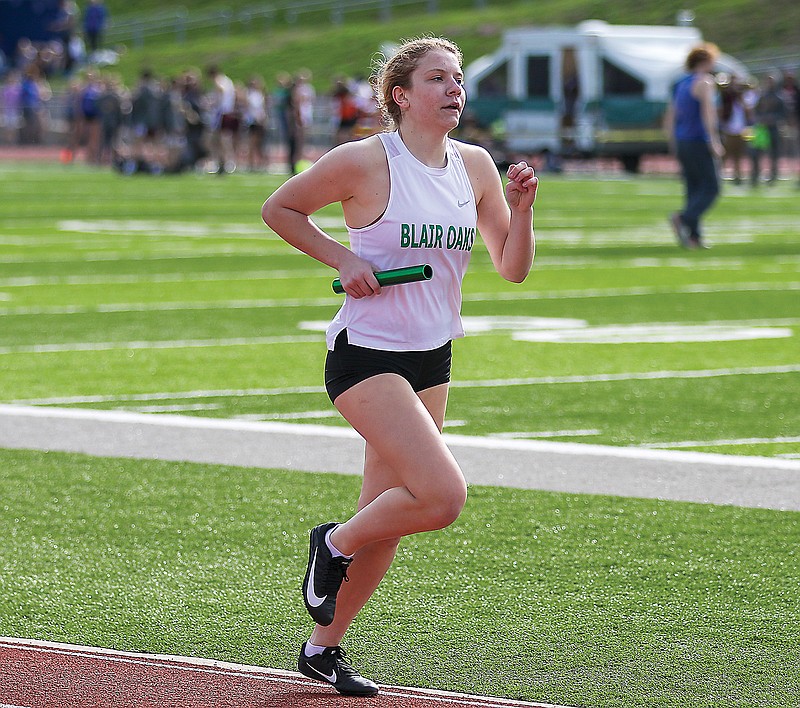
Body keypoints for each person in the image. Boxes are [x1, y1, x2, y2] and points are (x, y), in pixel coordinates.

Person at [261, 36, 537, 697]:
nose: (454, 89)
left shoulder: (473, 166)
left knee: (391, 511)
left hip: (432, 356)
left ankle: (321, 649)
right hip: (366, 356)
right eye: (438, 78)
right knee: (441, 498)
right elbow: (280, 208)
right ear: (400, 95)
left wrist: (522, 213)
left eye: (459, 78)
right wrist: (344, 259)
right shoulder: (364, 160)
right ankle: (331, 543)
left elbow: (513, 267)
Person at [664, 43, 724, 250]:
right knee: (712, 187)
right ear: (706, 61)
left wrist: (673, 142)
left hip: (683, 141)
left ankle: (694, 237)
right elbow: (708, 113)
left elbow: (671, 116)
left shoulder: (680, 83)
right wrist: (713, 139)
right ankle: (684, 219)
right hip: (699, 140)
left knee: (693, 188)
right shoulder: (704, 82)